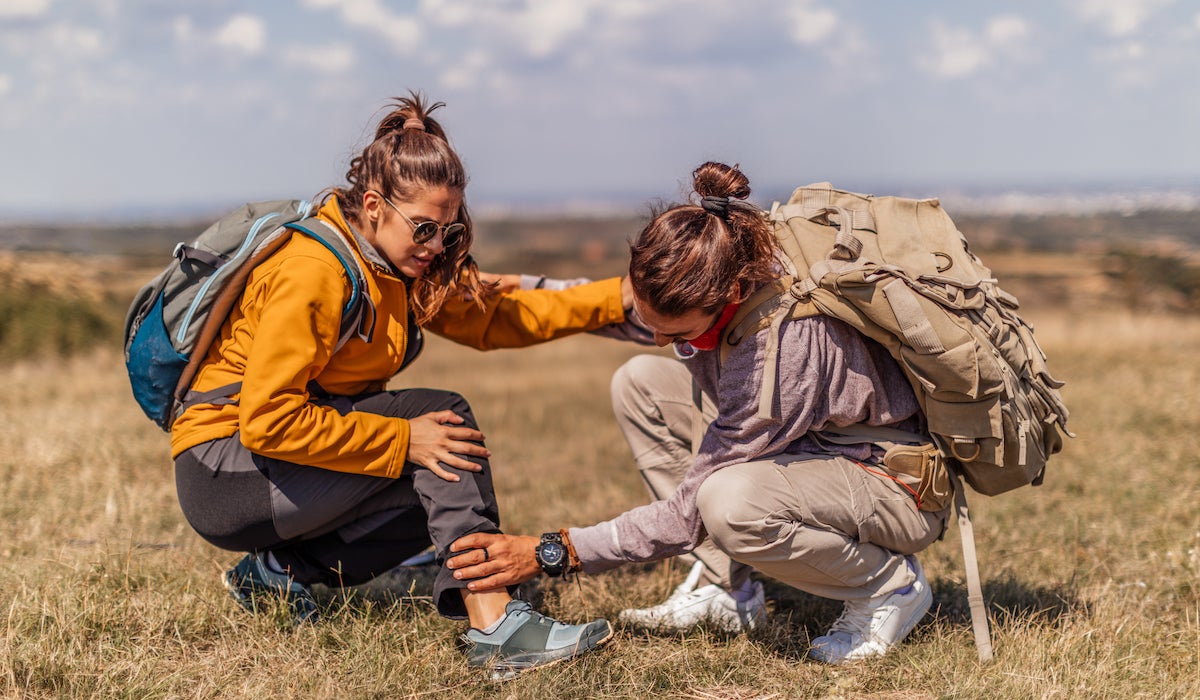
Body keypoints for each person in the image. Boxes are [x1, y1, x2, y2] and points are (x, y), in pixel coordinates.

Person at [169, 92, 629, 679]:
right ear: (373, 206)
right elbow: (267, 420)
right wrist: (401, 441)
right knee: (444, 422)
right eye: (426, 227)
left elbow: (495, 317)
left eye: (449, 229)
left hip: (275, 471)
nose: (437, 245)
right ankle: (495, 625)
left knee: (442, 497)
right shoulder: (314, 271)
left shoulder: (395, 267)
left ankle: (277, 574)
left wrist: (620, 298)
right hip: (224, 471)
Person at [447, 161, 951, 664]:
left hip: (892, 483)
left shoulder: (780, 350)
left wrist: (551, 551)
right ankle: (726, 588)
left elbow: (686, 514)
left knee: (728, 504)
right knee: (639, 380)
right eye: (654, 323)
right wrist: (520, 285)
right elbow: (624, 315)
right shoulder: (714, 272)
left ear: (730, 297)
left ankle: (888, 587)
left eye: (678, 334)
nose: (662, 339)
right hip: (812, 453)